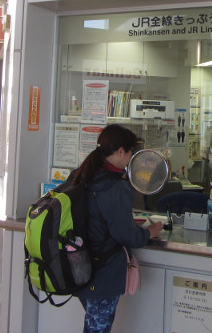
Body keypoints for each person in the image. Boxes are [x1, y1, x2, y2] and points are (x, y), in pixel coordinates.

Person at [72, 124, 163, 333]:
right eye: (131, 151)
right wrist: (149, 232)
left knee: (93, 325)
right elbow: (126, 234)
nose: (132, 156)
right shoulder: (113, 186)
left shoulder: (83, 174)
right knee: (97, 329)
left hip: (80, 265)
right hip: (102, 270)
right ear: (120, 151)